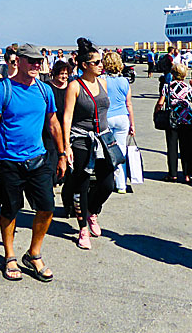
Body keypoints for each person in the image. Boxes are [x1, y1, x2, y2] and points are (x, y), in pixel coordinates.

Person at [0, 43, 66, 281]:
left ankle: (34, 254)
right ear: (18, 61)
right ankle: (9, 256)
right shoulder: (3, 89)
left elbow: (53, 123)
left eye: (39, 61)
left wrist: (62, 154)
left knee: (47, 208)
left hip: (38, 159)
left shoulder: (44, 90)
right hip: (9, 162)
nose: (37, 65)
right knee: (10, 209)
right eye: (32, 61)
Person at [62, 38, 116, 250]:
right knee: (81, 184)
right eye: (96, 62)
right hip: (81, 140)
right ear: (84, 65)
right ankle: (82, 227)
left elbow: (104, 110)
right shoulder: (75, 86)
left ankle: (92, 211)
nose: (101, 65)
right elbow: (66, 117)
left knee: (107, 183)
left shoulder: (102, 83)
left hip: (103, 138)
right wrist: (66, 146)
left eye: (101, 61)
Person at [155, 63, 192, 183]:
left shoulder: (167, 86)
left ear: (173, 74)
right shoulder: (187, 87)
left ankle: (173, 174)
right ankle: (187, 174)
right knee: (186, 147)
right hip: (186, 118)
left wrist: (157, 113)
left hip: (172, 118)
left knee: (172, 146)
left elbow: (160, 102)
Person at [103, 51, 135, 193]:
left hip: (107, 117)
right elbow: (129, 104)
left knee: (106, 151)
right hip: (122, 117)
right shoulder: (124, 81)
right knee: (121, 150)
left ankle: (108, 181)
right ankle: (121, 184)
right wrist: (132, 123)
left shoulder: (102, 80)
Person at [47, 60, 71, 193]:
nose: (64, 77)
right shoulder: (48, 87)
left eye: (66, 74)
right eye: (61, 74)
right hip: (50, 129)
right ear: (55, 74)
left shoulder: (71, 87)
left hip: (66, 127)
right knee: (52, 157)